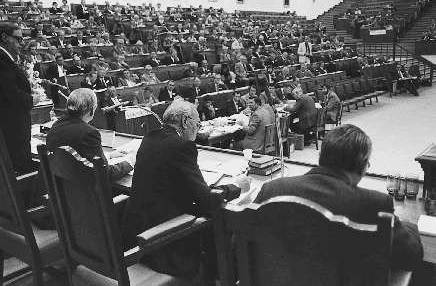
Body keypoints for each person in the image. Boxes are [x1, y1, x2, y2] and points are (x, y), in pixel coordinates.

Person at [254, 124, 423, 271]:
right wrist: (408, 225)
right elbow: (411, 257)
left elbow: (240, 245)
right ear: (362, 166)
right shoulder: (375, 204)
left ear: (322, 157)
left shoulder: (272, 189)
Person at [122, 100, 245, 279]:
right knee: (220, 221)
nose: (197, 127)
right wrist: (235, 186)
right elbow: (207, 200)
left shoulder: (149, 138)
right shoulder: (182, 146)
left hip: (135, 239)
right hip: (163, 244)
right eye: (197, 123)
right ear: (186, 121)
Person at [0, 24, 41, 174]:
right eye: (18, 39)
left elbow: (6, 87)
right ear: (5, 37)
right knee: (22, 166)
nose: (21, 43)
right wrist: (31, 99)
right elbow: (9, 94)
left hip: (8, 123)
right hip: (11, 126)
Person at [47, 88, 132, 181]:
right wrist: (130, 162)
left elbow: (77, 159)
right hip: (88, 193)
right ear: (92, 109)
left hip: (63, 191)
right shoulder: (89, 133)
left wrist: (108, 155)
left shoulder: (55, 126)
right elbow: (106, 174)